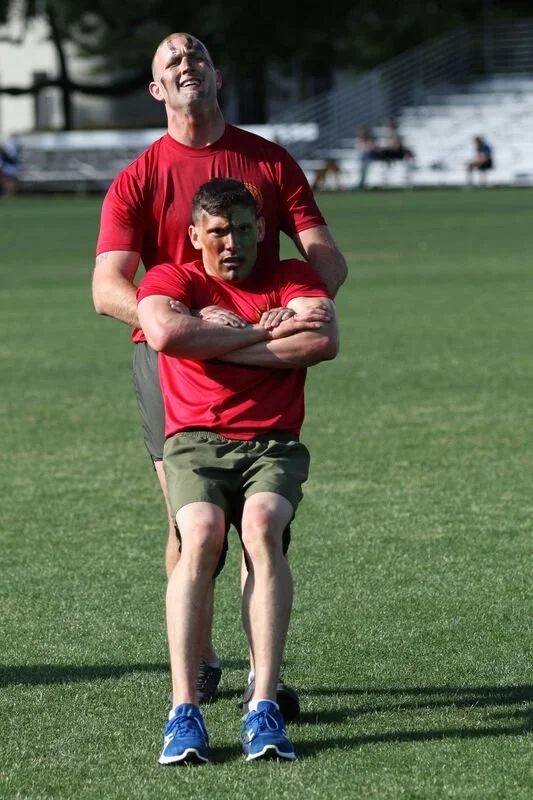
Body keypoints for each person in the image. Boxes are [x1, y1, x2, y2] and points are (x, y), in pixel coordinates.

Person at [92, 32, 347, 714]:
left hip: (263, 345)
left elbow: (325, 257)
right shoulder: (140, 176)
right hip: (171, 358)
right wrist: (179, 329)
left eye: (196, 54)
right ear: (155, 90)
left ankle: (264, 674)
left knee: (260, 523)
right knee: (189, 526)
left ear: (217, 73)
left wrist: (295, 311)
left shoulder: (265, 160)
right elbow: (107, 288)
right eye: (170, 60)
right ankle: (203, 662)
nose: (185, 63)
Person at [137, 177, 340, 764]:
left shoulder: (292, 276)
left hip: (272, 444)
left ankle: (264, 703)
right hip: (194, 443)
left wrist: (214, 339)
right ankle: (184, 712)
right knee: (198, 535)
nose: (233, 243)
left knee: (261, 527)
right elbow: (164, 332)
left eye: (245, 229)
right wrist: (263, 330)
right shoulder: (171, 279)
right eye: (220, 231)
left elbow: (321, 340)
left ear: (261, 231)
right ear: (195, 234)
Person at [353, 125, 383, 190]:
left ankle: (362, 184)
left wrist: (367, 147)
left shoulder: (371, 140)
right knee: (362, 165)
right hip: (362, 159)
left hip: (370, 158)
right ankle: (361, 184)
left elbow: (373, 148)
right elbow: (361, 149)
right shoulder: (360, 141)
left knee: (365, 165)